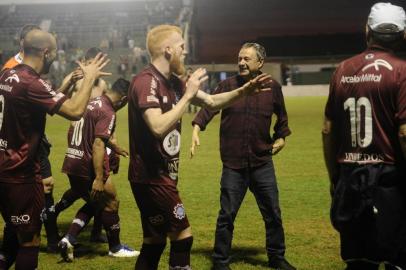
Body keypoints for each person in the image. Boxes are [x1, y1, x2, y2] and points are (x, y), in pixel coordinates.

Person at [128, 24, 272, 270]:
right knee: (183, 237)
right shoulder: (146, 82)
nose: (185, 52)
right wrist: (187, 96)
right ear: (168, 50)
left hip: (160, 175)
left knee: (154, 241)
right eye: (182, 47)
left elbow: (212, 102)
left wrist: (244, 91)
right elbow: (157, 126)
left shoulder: (172, 82)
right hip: (152, 177)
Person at [0, 29, 110, 270]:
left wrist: (68, 82)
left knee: (13, 235)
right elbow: (74, 111)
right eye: (55, 52)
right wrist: (90, 78)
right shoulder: (33, 82)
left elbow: (39, 101)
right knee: (30, 240)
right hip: (21, 173)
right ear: (45, 52)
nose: (55, 58)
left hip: (4, 166)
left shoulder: (8, 74)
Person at [190, 43, 295, 270]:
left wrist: (281, 137)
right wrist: (197, 128)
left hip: (262, 162)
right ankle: (220, 262)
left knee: (273, 214)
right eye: (239, 58)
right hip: (233, 164)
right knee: (226, 215)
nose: (241, 62)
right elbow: (208, 108)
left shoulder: (273, 88)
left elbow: (282, 119)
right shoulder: (227, 86)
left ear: (260, 62)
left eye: (247, 59)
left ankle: (277, 258)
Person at [322, 3, 406, 270]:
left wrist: (335, 176)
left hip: (350, 178)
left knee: (359, 262)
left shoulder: (342, 69)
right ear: (403, 35)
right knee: (397, 259)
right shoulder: (402, 71)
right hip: (389, 181)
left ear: (367, 30)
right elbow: (404, 133)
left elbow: (328, 130)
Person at [58, 78, 139, 261]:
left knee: (96, 203)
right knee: (111, 202)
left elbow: (92, 131)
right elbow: (97, 144)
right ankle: (116, 248)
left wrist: (115, 146)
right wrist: (99, 178)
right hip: (87, 166)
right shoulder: (108, 111)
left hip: (72, 162)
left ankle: (69, 239)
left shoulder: (93, 102)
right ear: (124, 99)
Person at [50, 47, 111, 244]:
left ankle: (92, 231)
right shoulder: (75, 79)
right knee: (95, 186)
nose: (95, 67)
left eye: (97, 63)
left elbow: (106, 112)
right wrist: (69, 82)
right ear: (84, 61)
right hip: (77, 134)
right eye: (91, 62)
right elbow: (55, 97)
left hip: (97, 135)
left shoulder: (102, 83)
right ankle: (70, 223)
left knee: (82, 187)